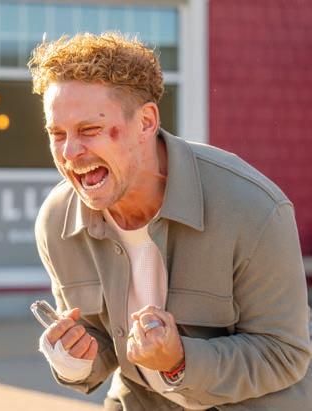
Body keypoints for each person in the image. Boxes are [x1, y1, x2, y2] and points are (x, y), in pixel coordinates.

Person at [28, 32, 312, 410]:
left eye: (89, 130)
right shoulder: (56, 220)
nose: (70, 152)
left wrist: (179, 362)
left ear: (146, 122)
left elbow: (284, 354)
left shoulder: (253, 208)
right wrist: (72, 360)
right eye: (57, 134)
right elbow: (99, 340)